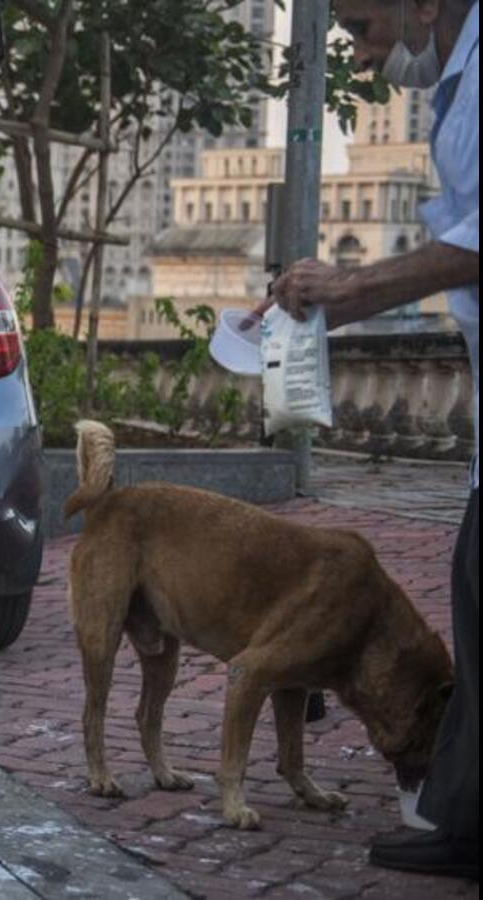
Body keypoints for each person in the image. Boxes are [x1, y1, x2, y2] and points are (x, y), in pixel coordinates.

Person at [269, 0, 478, 879]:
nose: (361, 51)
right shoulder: (457, 83)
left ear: (421, 1)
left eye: (361, 23)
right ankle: (459, 816)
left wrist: (362, 286)